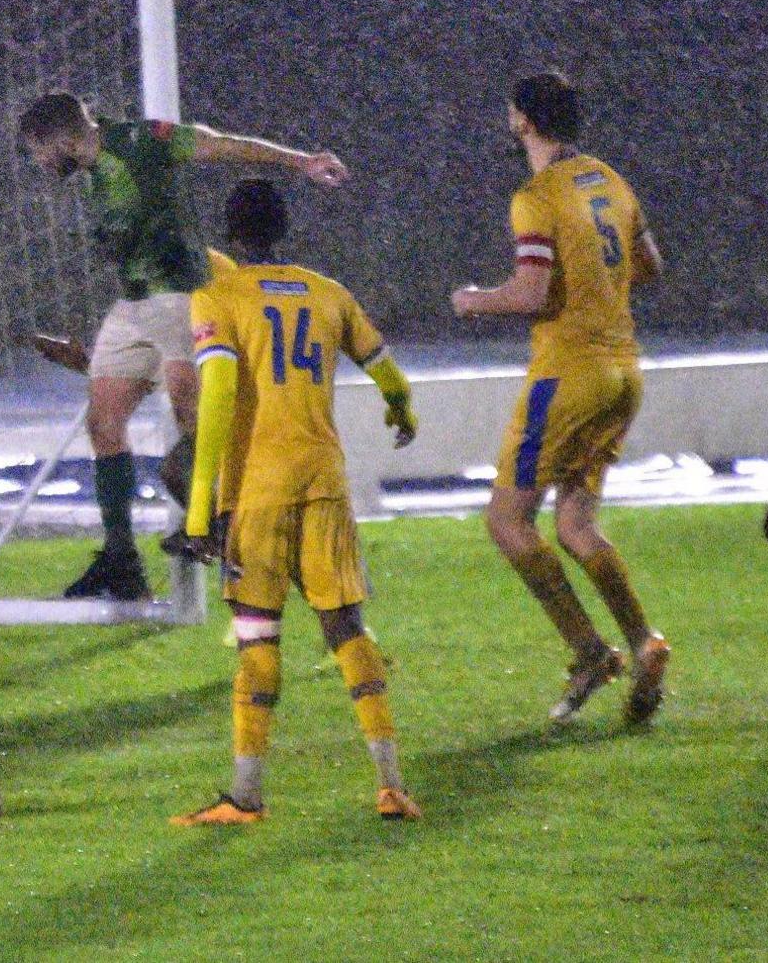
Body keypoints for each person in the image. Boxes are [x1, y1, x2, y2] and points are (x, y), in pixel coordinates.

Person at [17, 91, 350, 601]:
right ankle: (122, 559)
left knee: (190, 414)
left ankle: (234, 530)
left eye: (38, 151)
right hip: (135, 303)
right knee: (103, 422)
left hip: (180, 294)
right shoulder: (94, 172)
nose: (39, 164)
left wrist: (299, 161)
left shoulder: (143, 142)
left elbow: (218, 145)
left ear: (58, 138)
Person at [168, 180, 420, 824]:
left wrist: (200, 513)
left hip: (258, 487)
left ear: (228, 236)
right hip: (325, 480)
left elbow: (219, 397)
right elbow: (385, 366)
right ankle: (391, 783)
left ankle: (246, 795)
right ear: (283, 231)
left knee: (257, 636)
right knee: (346, 627)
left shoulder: (217, 297)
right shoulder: (328, 291)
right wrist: (401, 408)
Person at [450, 72, 669, 725]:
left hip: (564, 377)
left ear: (522, 120)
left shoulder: (536, 196)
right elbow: (650, 265)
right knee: (574, 525)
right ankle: (644, 641)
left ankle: (590, 650)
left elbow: (533, 294)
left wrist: (473, 300)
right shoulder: (610, 179)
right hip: (622, 374)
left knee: (507, 520)